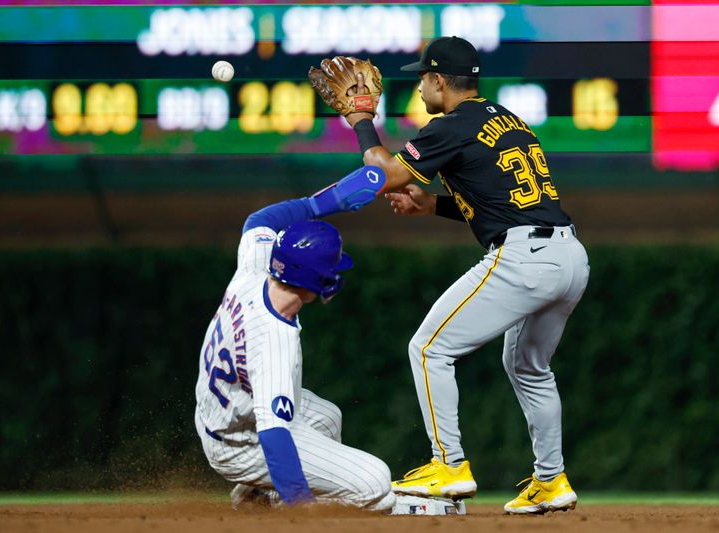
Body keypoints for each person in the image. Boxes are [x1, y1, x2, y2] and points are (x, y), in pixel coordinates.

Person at [342, 37, 590, 514]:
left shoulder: (450, 125)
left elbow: (383, 175)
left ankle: (449, 464)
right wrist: (430, 204)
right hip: (569, 255)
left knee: (429, 348)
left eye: (422, 77)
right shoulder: (507, 119)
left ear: (439, 80)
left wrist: (361, 122)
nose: (418, 86)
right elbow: (497, 199)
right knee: (530, 369)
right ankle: (552, 479)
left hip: (524, 257)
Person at [194, 166, 397, 511]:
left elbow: (260, 219)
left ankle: (255, 496)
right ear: (316, 282)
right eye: (332, 269)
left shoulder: (257, 270)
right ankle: (280, 504)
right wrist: (302, 507)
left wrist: (324, 203)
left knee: (328, 417)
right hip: (241, 443)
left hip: (226, 413)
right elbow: (274, 435)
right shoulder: (273, 340)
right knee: (377, 484)